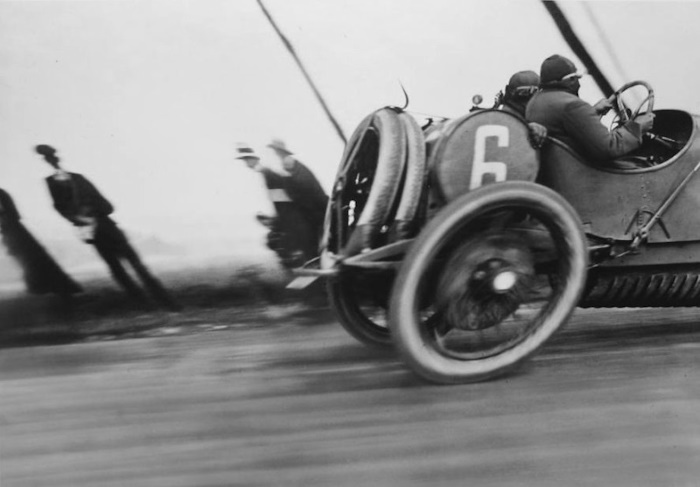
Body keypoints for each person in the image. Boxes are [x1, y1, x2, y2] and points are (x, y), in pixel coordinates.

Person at [35, 144, 180, 311]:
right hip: (92, 231)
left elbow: (106, 205)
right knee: (119, 269)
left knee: (135, 265)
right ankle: (144, 303)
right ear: (46, 161)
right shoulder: (51, 182)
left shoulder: (79, 178)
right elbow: (59, 207)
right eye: (49, 159)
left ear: (58, 158)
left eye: (53, 158)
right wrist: (78, 219)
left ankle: (164, 301)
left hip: (106, 226)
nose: (53, 161)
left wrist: (92, 212)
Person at [526, 54, 655, 163]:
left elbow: (566, 127)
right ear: (570, 80)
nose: (579, 84)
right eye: (577, 78)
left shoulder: (535, 101)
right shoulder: (573, 105)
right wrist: (637, 127)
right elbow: (609, 147)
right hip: (586, 174)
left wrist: (593, 112)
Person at [0, 187, 82, 298]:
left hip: (11, 229)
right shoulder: (2, 193)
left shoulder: (1, 194)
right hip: (12, 228)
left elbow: (6, 213)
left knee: (28, 258)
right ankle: (52, 286)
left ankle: (47, 287)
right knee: (31, 258)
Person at [267, 138, 329, 243]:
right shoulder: (293, 165)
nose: (275, 153)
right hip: (314, 204)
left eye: (276, 150)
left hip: (314, 206)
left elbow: (301, 189)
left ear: (280, 151)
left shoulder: (289, 163)